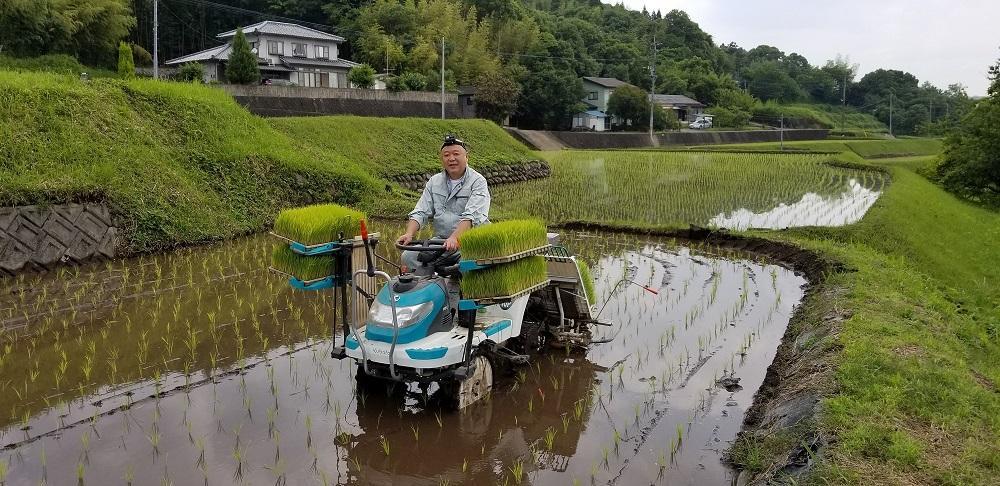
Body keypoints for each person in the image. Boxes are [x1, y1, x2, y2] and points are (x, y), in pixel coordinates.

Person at [397, 135, 490, 275]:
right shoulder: (434, 182)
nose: (451, 158)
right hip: (441, 242)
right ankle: (434, 288)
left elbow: (472, 216)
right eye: (446, 155)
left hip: (470, 242)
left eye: (456, 154)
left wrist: (455, 237)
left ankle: (464, 291)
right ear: (442, 160)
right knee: (408, 257)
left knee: (468, 265)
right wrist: (409, 234)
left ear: (466, 157)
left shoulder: (478, 181)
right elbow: (420, 211)